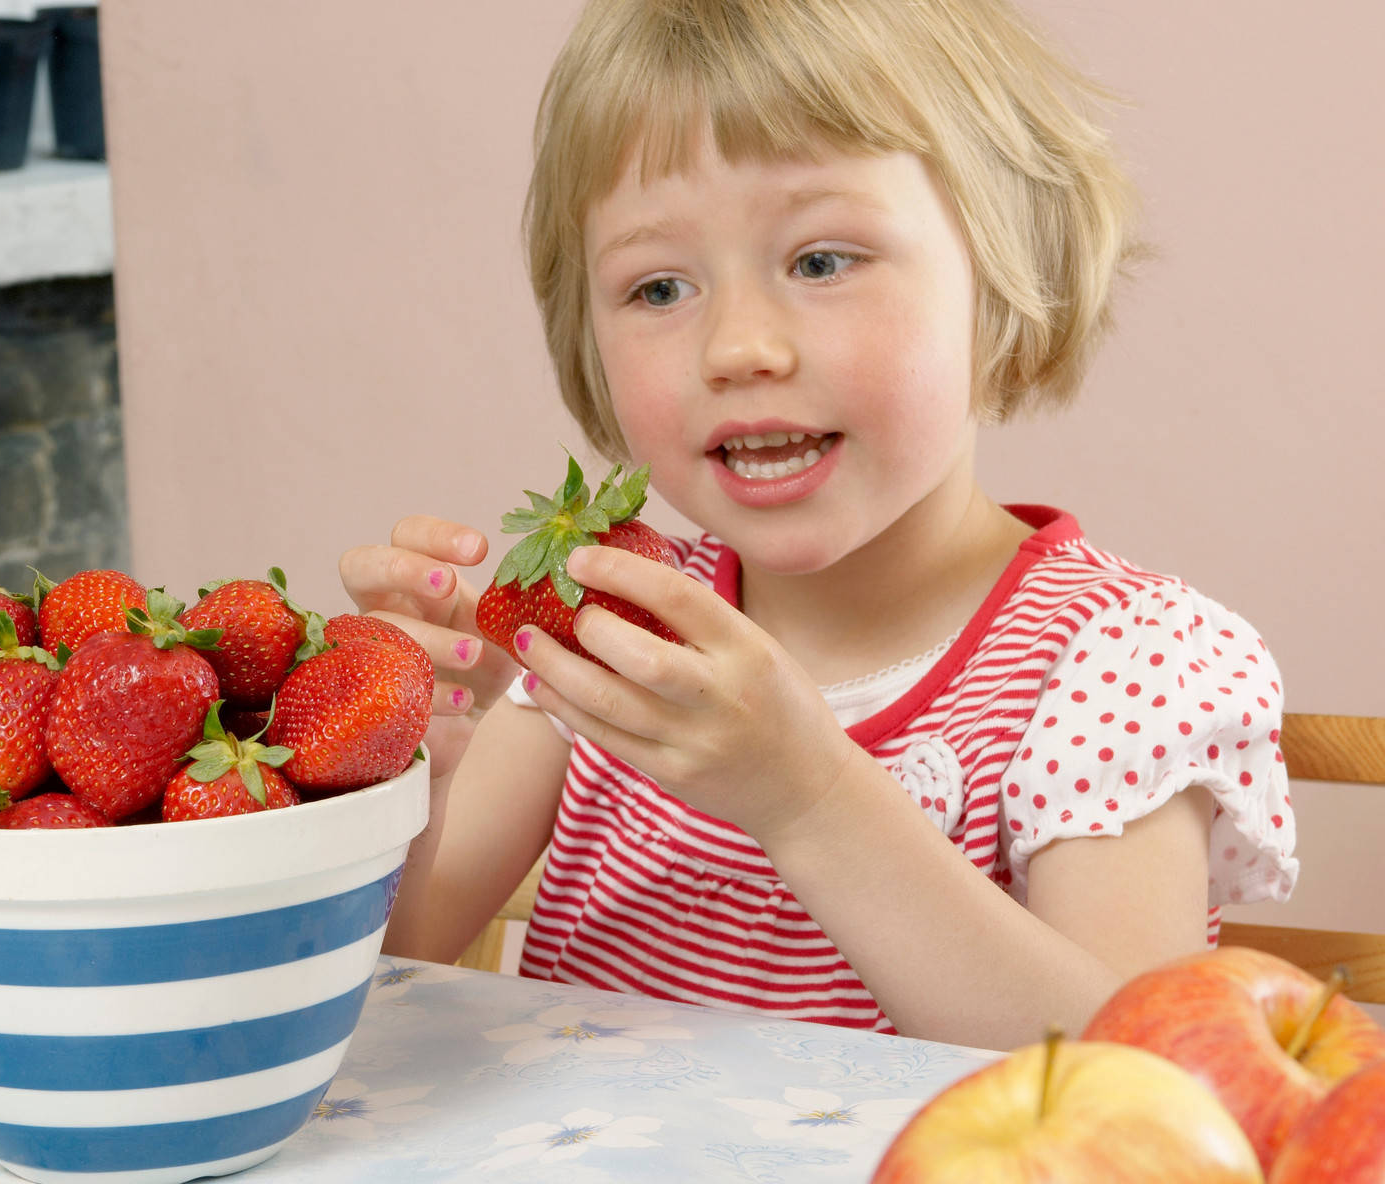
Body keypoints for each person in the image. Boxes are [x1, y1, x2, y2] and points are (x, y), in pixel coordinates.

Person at [337, 0, 1297, 1051]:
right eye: (659, 286)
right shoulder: (605, 630)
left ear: (1004, 273)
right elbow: (397, 968)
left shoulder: (1124, 662)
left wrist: (807, 796)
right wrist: (400, 764)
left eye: (822, 261)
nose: (739, 347)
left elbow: (1136, 1087)